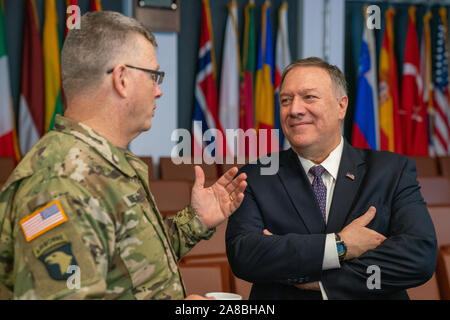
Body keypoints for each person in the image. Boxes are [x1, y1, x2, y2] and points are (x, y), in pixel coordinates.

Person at [0, 11, 247, 300]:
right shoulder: (63, 182)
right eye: (154, 76)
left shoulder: (103, 164)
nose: (158, 91)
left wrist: (196, 221)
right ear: (122, 78)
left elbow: (128, 261)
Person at [225, 57, 437, 300]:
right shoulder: (256, 174)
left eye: (309, 97)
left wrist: (324, 282)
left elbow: (419, 256)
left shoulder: (392, 170)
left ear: (341, 106)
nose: (294, 110)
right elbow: (245, 256)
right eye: (286, 100)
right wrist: (340, 246)